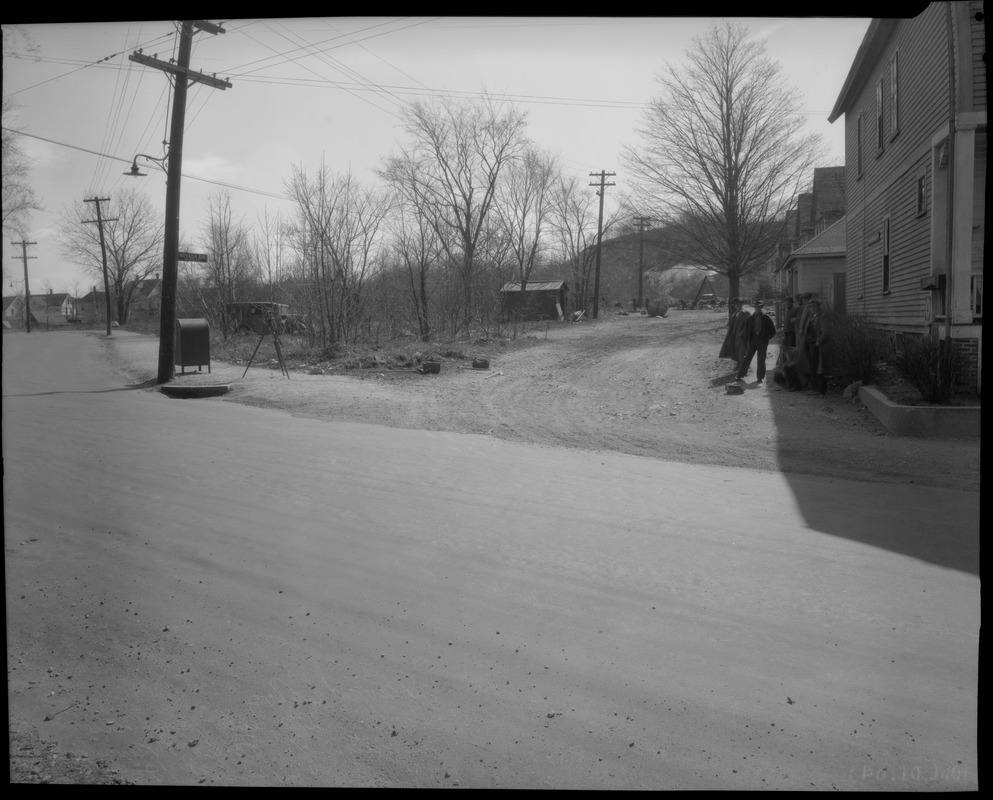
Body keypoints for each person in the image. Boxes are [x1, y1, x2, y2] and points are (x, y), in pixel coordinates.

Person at [736, 299, 777, 383]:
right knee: (747, 357)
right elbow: (747, 331)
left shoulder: (766, 318)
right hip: (753, 340)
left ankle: (759, 377)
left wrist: (766, 338)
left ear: (761, 308)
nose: (758, 309)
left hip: (762, 341)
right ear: (754, 308)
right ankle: (740, 375)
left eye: (759, 307)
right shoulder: (750, 319)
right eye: (756, 307)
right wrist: (748, 339)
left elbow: (773, 330)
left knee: (761, 359)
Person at [804, 298, 831, 395]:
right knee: (813, 367)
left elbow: (826, 332)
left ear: (818, 307)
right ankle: (815, 388)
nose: (812, 309)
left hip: (818, 346)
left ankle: (821, 389)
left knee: (819, 368)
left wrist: (818, 341)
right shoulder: (812, 317)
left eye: (814, 307)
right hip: (811, 345)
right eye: (811, 307)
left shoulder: (822, 317)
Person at [719, 298, 750, 369]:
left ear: (741, 305)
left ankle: (743, 367)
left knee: (742, 350)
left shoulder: (745, 313)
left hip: (742, 336)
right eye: (736, 305)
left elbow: (748, 325)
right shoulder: (735, 313)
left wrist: (742, 332)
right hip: (735, 334)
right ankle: (738, 364)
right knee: (736, 350)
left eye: (739, 304)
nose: (737, 306)